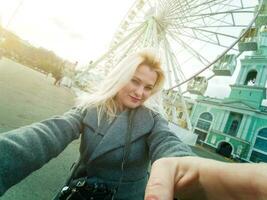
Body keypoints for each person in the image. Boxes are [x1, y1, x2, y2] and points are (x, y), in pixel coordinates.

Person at [0, 49, 195, 199]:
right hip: (80, 193)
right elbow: (51, 132)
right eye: (135, 81)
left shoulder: (153, 120)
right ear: (121, 76)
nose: (140, 92)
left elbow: (168, 143)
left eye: (148, 87)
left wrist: (190, 167)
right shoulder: (90, 108)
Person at [145, 156, 267, 200]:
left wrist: (181, 161)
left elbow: (166, 139)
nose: (140, 96)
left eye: (151, 95)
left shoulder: (153, 119)